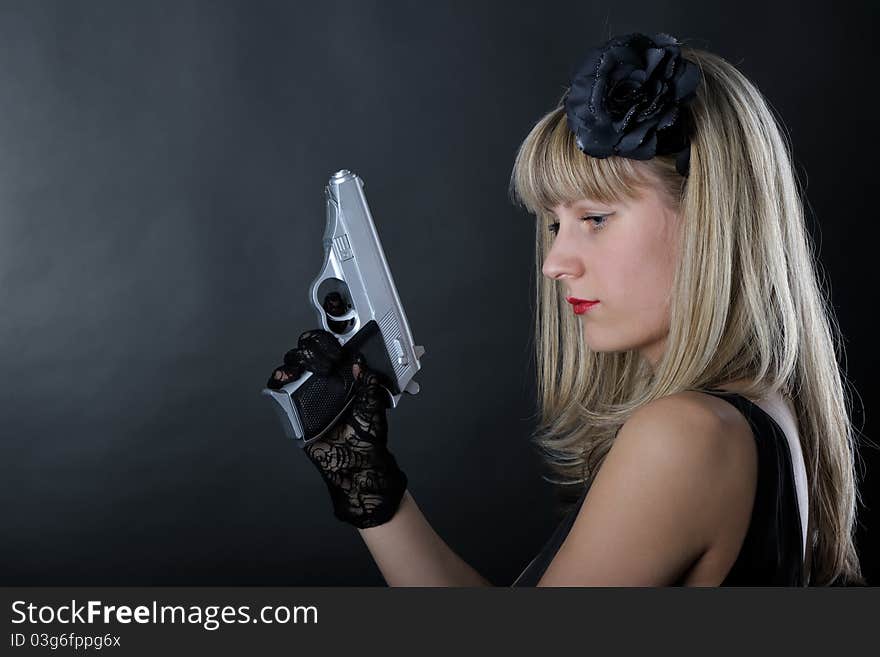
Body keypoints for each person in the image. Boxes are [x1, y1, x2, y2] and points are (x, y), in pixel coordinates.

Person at [266, 32, 867, 586]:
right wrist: (366, 478)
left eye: (595, 219)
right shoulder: (758, 414)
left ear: (713, 220)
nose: (556, 263)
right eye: (555, 224)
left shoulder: (687, 435)